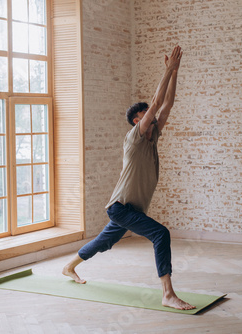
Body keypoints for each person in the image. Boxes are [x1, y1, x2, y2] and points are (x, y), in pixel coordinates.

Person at [63, 45, 195, 310]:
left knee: (104, 242)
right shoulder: (134, 139)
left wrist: (175, 72)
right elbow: (157, 103)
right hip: (121, 208)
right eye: (146, 115)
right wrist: (166, 70)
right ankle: (168, 294)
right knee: (161, 234)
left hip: (130, 208)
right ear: (137, 121)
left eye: (151, 115)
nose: (153, 117)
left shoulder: (152, 137)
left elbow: (167, 104)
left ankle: (69, 266)